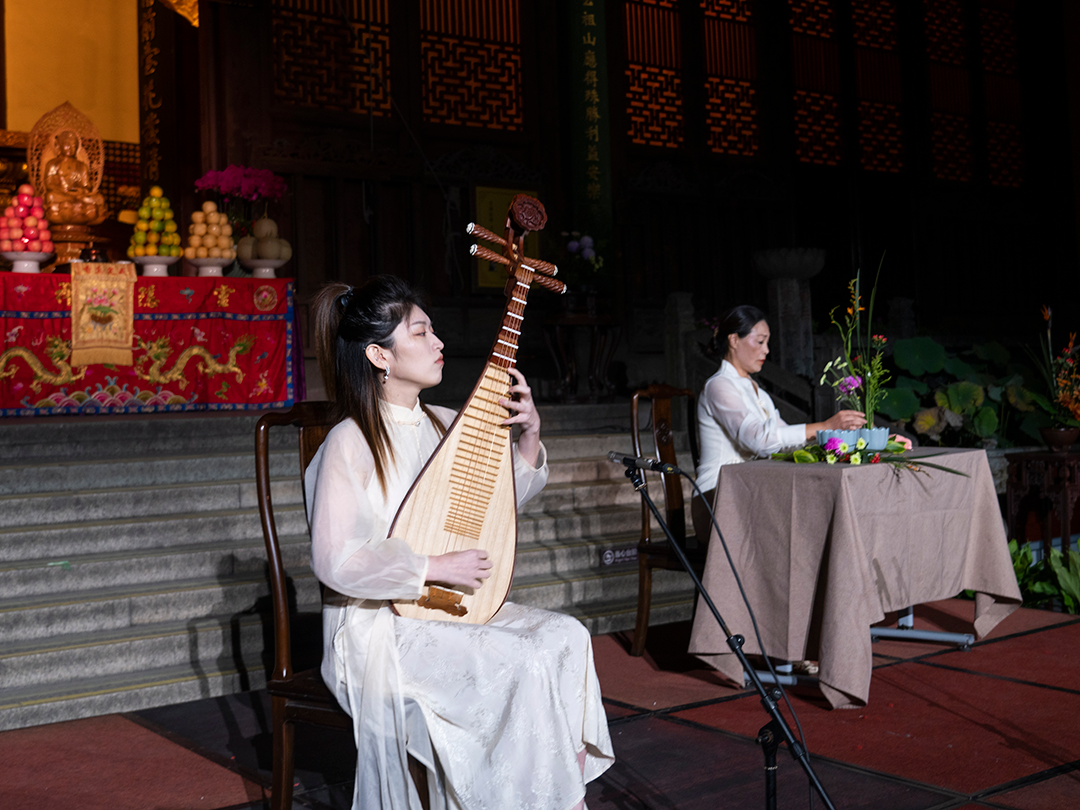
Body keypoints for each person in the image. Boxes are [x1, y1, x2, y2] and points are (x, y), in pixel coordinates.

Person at [305, 276, 614, 810]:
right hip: (376, 624)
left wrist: (530, 436)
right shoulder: (349, 441)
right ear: (379, 355)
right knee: (521, 660)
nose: (439, 343)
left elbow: (495, 508)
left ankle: (543, 796)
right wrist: (429, 566)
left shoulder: (446, 423)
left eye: (434, 331)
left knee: (566, 637)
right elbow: (336, 561)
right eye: (421, 333)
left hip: (445, 607)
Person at [691, 305, 865, 542]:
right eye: (760, 341)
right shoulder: (719, 386)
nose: (766, 350)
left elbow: (784, 439)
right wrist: (825, 425)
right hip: (718, 497)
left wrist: (850, 440)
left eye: (767, 342)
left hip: (754, 490)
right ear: (733, 340)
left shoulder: (757, 392)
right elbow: (760, 441)